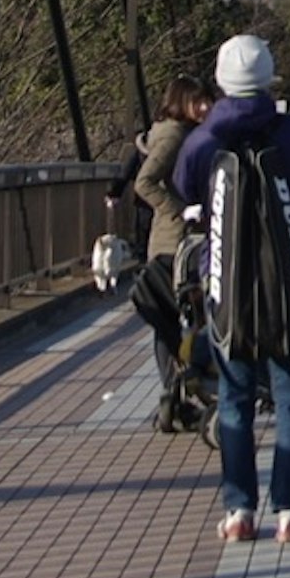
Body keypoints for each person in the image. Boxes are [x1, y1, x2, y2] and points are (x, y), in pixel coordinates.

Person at [178, 35, 290, 541]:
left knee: (234, 397)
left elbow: (184, 187)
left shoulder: (205, 139)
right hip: (288, 281)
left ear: (222, 82)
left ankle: (238, 511)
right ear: (269, 78)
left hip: (225, 283)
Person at [123, 76, 218, 431]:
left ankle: (175, 394)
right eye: (199, 102)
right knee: (186, 316)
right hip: (175, 243)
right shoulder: (174, 135)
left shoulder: (173, 132)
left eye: (208, 101)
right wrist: (180, 209)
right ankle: (179, 390)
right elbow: (145, 182)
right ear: (182, 102)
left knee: (169, 321)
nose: (206, 108)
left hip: (172, 242)